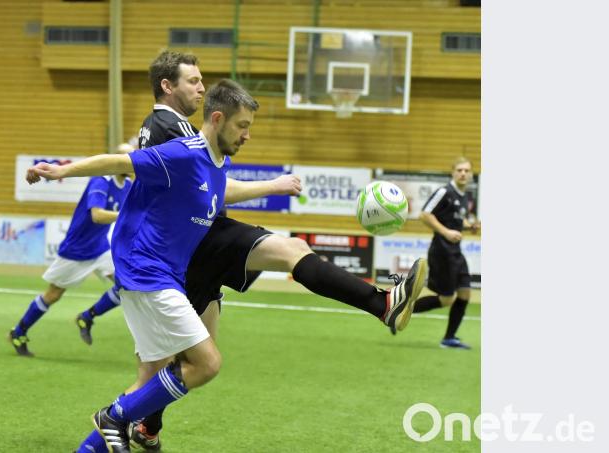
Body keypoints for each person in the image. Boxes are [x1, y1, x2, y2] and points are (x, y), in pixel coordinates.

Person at [28, 79, 424, 453]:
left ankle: (102, 440)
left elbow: (221, 190)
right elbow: (121, 161)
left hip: (167, 274)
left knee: (157, 376)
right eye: (242, 125)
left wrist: (273, 186)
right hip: (148, 273)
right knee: (206, 362)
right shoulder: (183, 153)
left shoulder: (215, 165)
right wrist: (60, 171)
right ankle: (113, 417)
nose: (247, 134)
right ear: (217, 119)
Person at [127, 50, 430, 450]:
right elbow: (217, 190)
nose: (201, 87)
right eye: (193, 81)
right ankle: (383, 303)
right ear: (168, 86)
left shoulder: (161, 127)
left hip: (191, 247)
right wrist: (274, 185)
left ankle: (144, 426)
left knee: (183, 364)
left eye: (201, 81)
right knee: (291, 249)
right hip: (200, 241)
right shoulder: (173, 128)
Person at [8, 144, 134, 357]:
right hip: (77, 249)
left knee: (128, 285)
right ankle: (18, 331)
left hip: (101, 247)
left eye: (132, 155)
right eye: (125, 155)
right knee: (53, 294)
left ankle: (87, 317)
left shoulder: (128, 185)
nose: (130, 159)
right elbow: (96, 215)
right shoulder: (100, 180)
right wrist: (124, 215)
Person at [412, 157, 480, 350]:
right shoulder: (444, 192)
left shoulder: (465, 196)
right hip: (441, 251)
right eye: (459, 170)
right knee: (446, 299)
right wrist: (446, 232)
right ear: (452, 172)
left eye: (467, 170)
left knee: (465, 294)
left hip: (456, 252)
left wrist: (470, 226)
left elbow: (457, 222)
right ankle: (400, 311)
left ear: (471, 174)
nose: (463, 173)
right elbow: (424, 214)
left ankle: (449, 338)